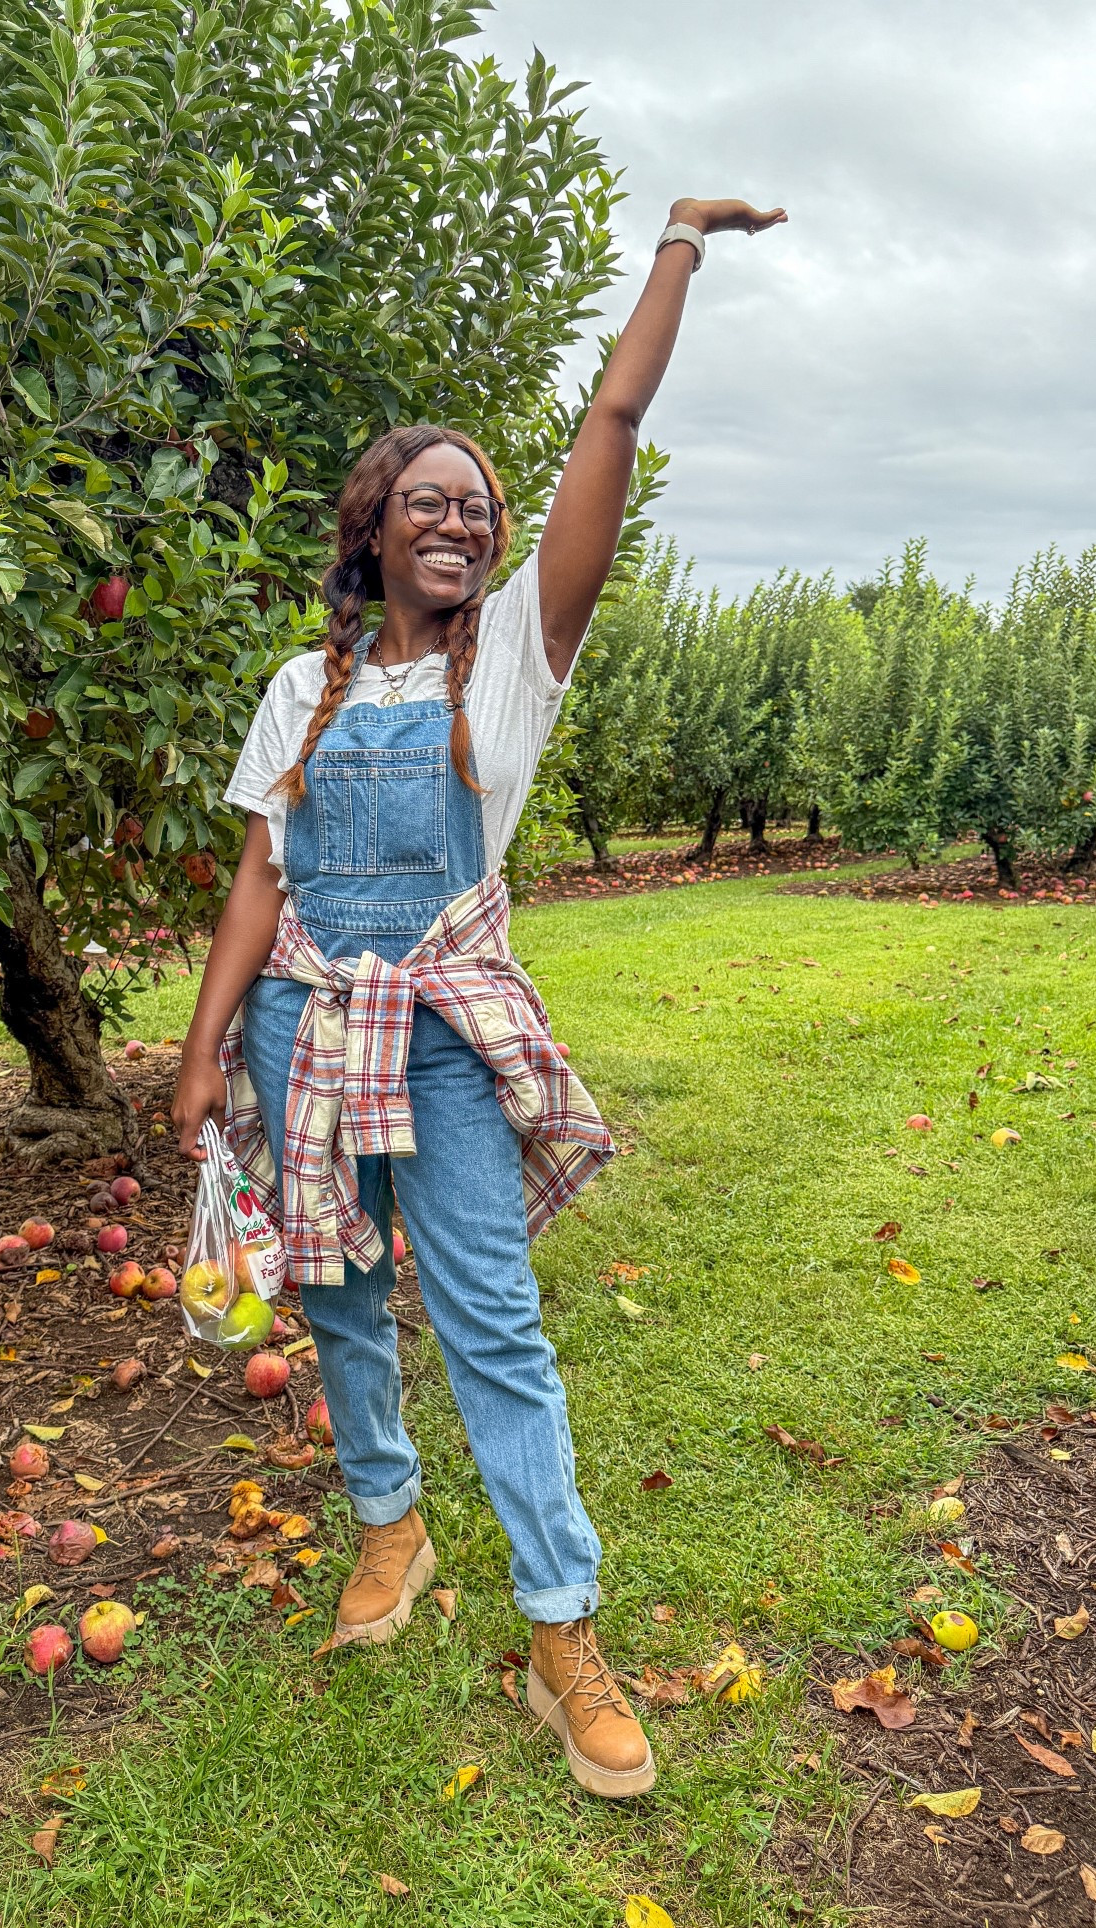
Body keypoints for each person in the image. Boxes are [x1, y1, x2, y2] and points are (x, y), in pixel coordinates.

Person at [172, 194, 786, 1799]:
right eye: (426, 502)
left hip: (442, 1035)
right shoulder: (300, 689)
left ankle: (561, 1627)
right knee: (335, 1297)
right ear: (371, 529)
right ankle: (391, 1530)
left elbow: (615, 416)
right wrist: (200, 1050)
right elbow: (260, 881)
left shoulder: (515, 653)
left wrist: (676, 247)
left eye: (480, 505)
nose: (459, 519)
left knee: (494, 1325)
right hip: (303, 1024)